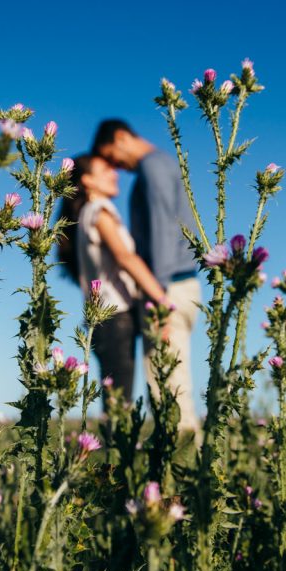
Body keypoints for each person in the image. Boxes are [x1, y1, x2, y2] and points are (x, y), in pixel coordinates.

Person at [91, 119, 201, 434]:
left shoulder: (152, 167)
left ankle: (186, 478)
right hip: (178, 284)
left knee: (170, 397)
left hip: (168, 289)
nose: (116, 167)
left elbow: (165, 233)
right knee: (173, 391)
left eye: (112, 156)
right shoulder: (162, 164)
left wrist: (159, 300)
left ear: (122, 137)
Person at [57, 154, 168, 402]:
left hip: (103, 320)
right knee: (120, 403)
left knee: (114, 399)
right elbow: (125, 257)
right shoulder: (99, 211)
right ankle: (115, 442)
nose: (115, 174)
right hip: (115, 318)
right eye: (106, 170)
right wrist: (161, 299)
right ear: (87, 180)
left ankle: (112, 441)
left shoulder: (85, 215)